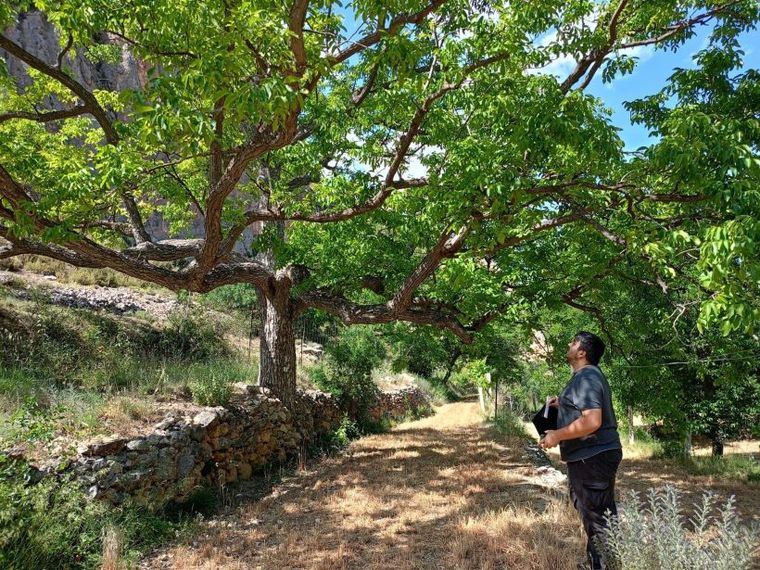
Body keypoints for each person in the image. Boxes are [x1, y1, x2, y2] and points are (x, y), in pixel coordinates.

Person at [538, 331, 622, 570]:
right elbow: (584, 410)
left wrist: (556, 435)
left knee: (599, 521)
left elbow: (592, 421)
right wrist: (562, 403)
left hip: (593, 456)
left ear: (582, 352)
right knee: (595, 516)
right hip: (589, 456)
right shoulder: (583, 378)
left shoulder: (586, 377)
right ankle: (596, 564)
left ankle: (607, 565)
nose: (569, 344)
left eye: (573, 342)